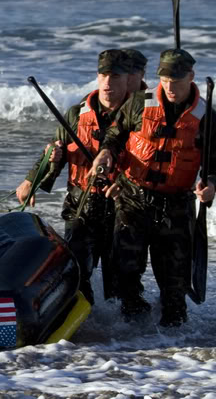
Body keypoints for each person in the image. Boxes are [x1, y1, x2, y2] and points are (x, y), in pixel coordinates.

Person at [89, 48, 216, 326]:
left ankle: (177, 354)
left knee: (174, 285)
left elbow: (214, 161)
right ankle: (132, 342)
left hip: (176, 206)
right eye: (165, 79)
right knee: (125, 275)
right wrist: (106, 152)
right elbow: (115, 133)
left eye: (177, 80)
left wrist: (211, 185)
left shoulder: (207, 116)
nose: (170, 86)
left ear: (191, 77)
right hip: (134, 199)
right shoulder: (138, 102)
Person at [16, 49, 131, 305]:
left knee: (122, 278)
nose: (108, 83)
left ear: (128, 79)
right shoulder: (77, 114)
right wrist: (32, 180)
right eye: (103, 75)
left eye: (115, 76)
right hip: (82, 205)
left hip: (123, 207)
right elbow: (55, 148)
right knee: (77, 271)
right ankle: (83, 330)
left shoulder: (137, 116)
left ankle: (128, 339)